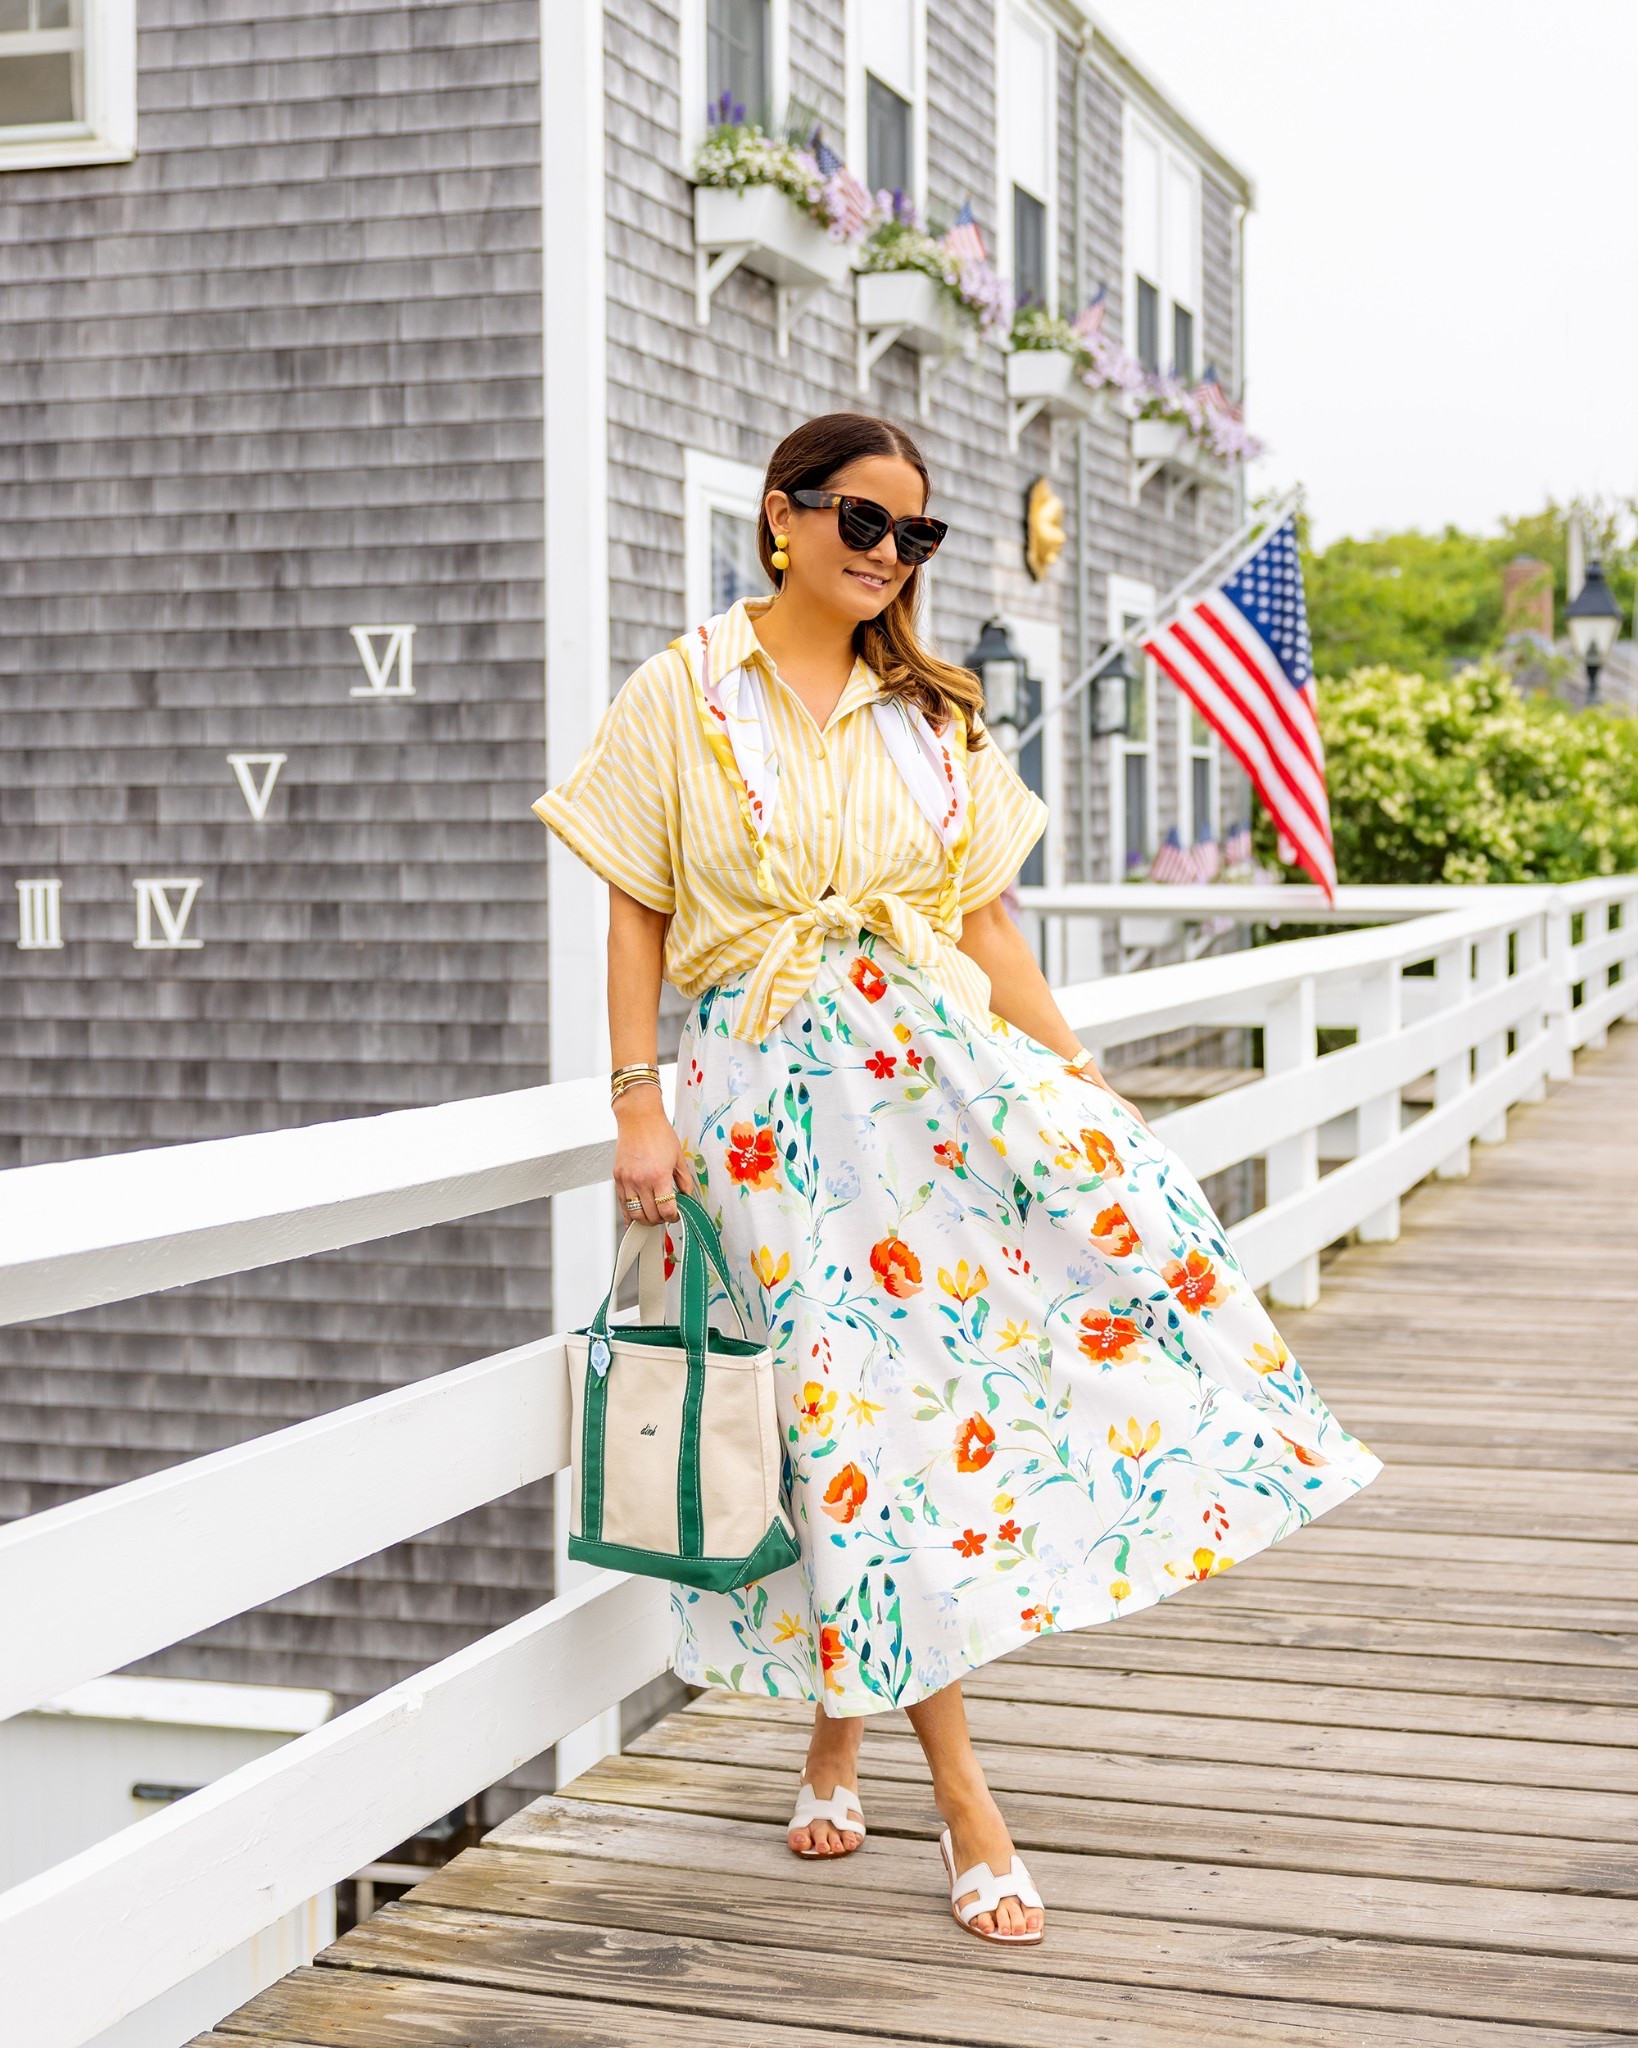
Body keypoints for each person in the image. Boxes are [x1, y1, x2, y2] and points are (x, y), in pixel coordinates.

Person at [534, 411, 1381, 1946]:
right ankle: (965, 1804)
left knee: (920, 1423)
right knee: (843, 1426)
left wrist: (1080, 1082)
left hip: (939, 1106)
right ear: (782, 520)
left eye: (913, 536)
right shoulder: (682, 691)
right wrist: (631, 1106)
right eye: (862, 523)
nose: (886, 557)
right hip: (766, 1114)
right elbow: (633, 917)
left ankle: (844, 1737)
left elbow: (987, 931)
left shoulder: (934, 715)